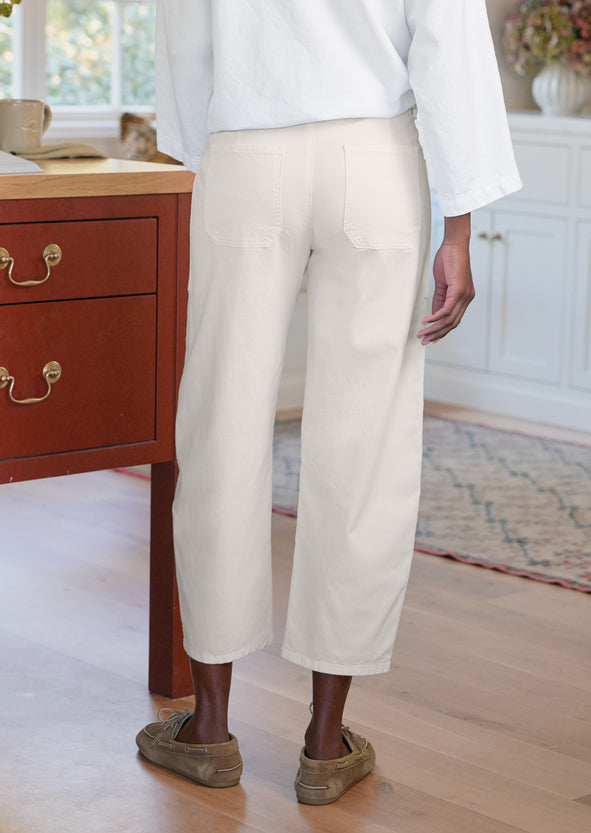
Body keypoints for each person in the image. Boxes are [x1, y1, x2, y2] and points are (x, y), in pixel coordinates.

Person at [136, 0, 522, 805]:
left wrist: (206, 141)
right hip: (375, 158)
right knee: (364, 443)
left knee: (221, 431)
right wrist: (459, 226)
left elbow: (184, 26)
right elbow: (448, 37)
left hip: (246, 151)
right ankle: (323, 741)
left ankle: (210, 728)